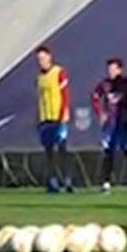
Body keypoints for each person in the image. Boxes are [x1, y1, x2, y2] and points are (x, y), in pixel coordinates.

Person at [92, 57, 127, 194]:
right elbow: (95, 97)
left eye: (113, 69)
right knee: (108, 151)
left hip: (124, 121)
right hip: (110, 124)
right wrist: (101, 113)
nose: (111, 72)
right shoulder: (104, 84)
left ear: (120, 69)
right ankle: (106, 181)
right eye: (109, 69)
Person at [35, 45, 74, 193]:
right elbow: (40, 99)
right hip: (46, 119)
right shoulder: (40, 77)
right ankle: (52, 182)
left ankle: (68, 181)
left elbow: (64, 94)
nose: (41, 62)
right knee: (49, 152)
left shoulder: (59, 72)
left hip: (58, 118)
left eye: (43, 58)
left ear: (50, 57)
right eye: (39, 59)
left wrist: (64, 113)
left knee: (62, 149)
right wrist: (39, 118)